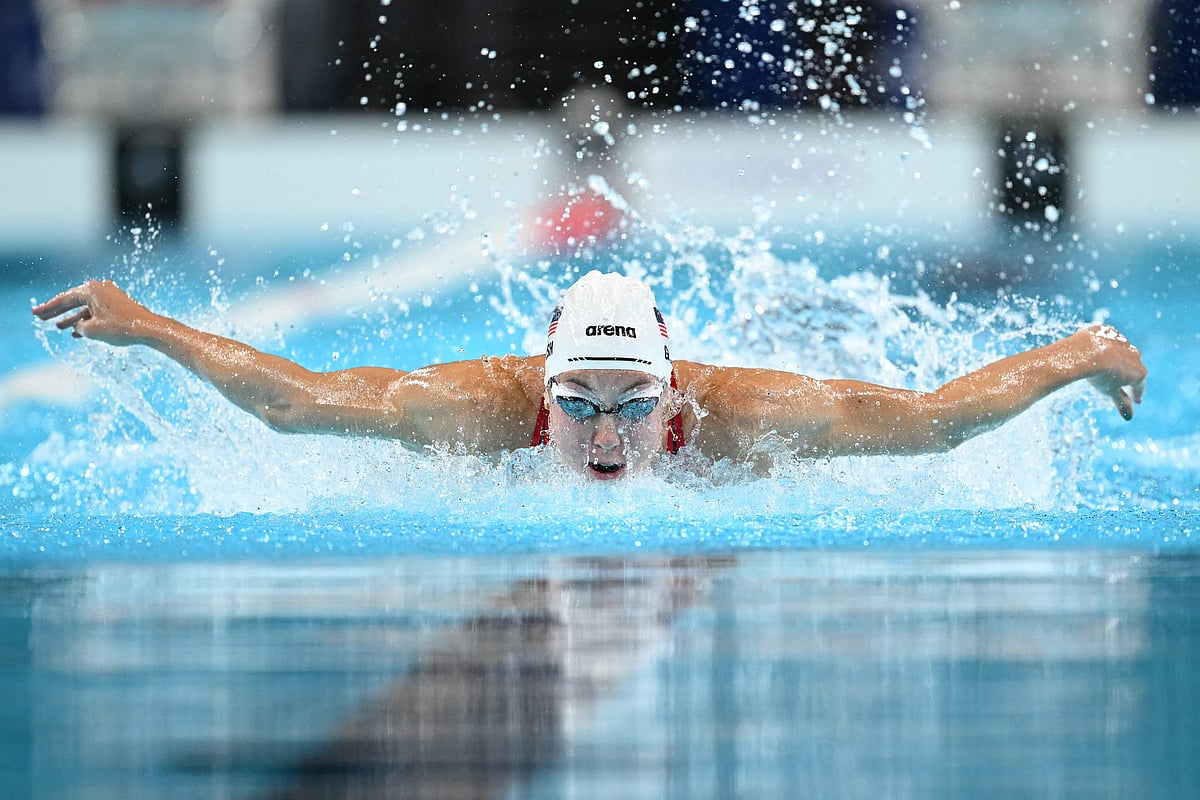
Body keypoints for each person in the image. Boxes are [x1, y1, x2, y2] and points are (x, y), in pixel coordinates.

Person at [32, 271, 1147, 481]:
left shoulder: (742, 416)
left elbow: (939, 422)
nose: (606, 434)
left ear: (672, 392)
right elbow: (295, 400)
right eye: (576, 404)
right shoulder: (472, 406)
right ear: (541, 391)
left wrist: (1084, 355)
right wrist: (149, 324)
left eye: (632, 404)